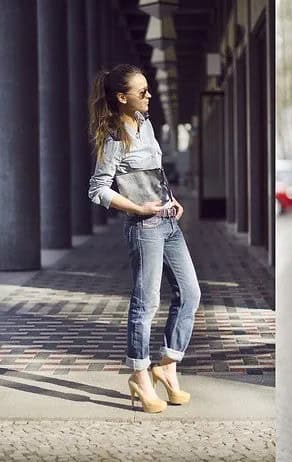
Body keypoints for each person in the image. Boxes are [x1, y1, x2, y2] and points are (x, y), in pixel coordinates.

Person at [88, 64, 201, 413]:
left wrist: (172, 197)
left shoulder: (146, 125)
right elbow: (97, 189)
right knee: (146, 303)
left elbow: (155, 170)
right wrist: (138, 208)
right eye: (142, 91)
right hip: (144, 228)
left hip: (169, 223)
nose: (148, 95)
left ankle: (166, 365)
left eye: (149, 90)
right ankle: (139, 372)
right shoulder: (113, 139)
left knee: (191, 293)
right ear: (122, 98)